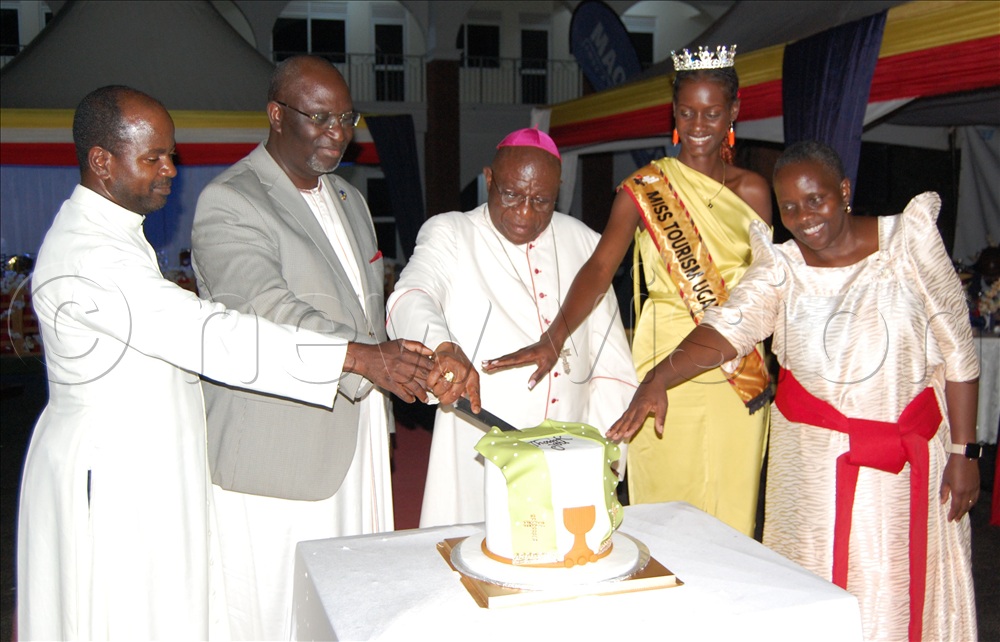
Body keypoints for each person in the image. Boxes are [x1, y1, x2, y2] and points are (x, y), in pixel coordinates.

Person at [16, 85, 433, 640]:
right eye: (153, 158)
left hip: (148, 460)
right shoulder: (89, 254)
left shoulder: (113, 233)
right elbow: (208, 334)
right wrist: (354, 356)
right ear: (101, 161)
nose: (170, 169)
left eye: (171, 154)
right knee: (123, 617)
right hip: (116, 471)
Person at [607, 140, 979, 641]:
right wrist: (659, 377)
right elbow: (727, 327)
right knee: (811, 585)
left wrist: (965, 451)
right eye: (791, 207)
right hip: (813, 468)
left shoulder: (908, 240)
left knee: (891, 582)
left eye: (817, 200)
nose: (806, 218)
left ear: (843, 191)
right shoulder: (782, 267)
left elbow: (959, 350)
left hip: (906, 463)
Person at [190, 55, 432, 640]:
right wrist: (368, 359)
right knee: (278, 608)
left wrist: (407, 356)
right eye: (319, 117)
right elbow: (265, 309)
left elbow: (366, 311)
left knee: (351, 599)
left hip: (359, 435)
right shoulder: (231, 201)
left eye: (346, 118)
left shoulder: (348, 198)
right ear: (276, 115)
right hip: (282, 445)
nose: (338, 133)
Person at [485, 46, 771, 536]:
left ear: (734, 112)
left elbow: (766, 289)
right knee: (667, 511)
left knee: (733, 515)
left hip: (733, 367)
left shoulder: (754, 192)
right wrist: (554, 339)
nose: (699, 123)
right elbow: (599, 269)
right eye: (687, 111)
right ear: (673, 112)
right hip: (661, 371)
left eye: (712, 112)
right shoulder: (644, 189)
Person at [386, 128, 638, 527]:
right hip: (481, 450)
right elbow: (411, 294)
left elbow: (611, 368)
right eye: (511, 195)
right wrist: (441, 345)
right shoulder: (452, 233)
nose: (525, 213)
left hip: (572, 456)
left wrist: (607, 453)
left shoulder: (585, 242)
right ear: (489, 179)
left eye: (541, 201)